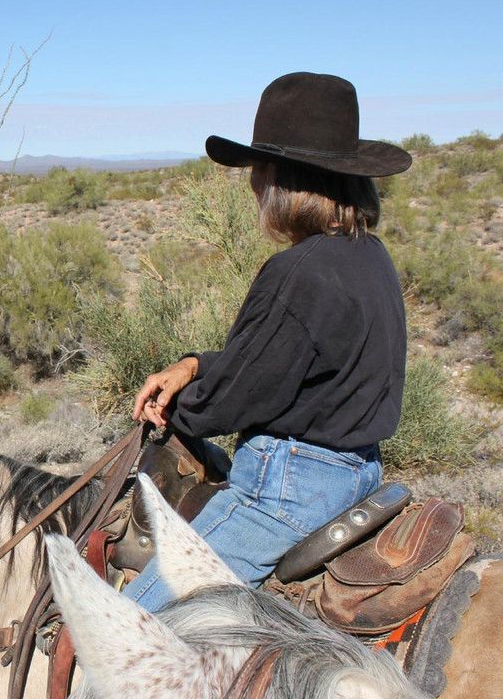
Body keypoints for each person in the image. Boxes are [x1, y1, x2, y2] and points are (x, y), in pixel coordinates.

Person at [121, 72, 412, 611]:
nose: (253, 185)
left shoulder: (297, 271)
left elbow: (235, 399)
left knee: (127, 629)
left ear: (282, 182)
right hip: (358, 471)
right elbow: (295, 365)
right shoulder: (368, 256)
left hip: (286, 494)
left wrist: (174, 411)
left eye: (258, 171)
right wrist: (194, 364)